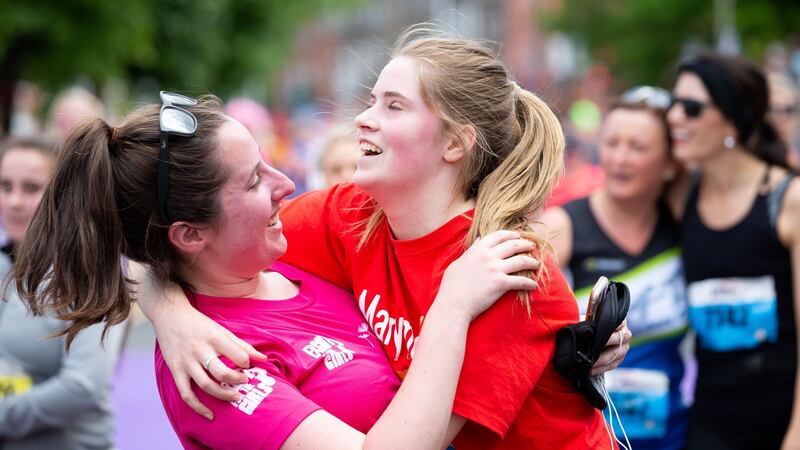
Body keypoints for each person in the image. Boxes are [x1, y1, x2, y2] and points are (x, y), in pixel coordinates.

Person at [137, 29, 630, 448]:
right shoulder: (352, 215)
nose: (363, 119)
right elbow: (168, 234)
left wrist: (454, 305)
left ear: (455, 142)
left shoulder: (503, 268)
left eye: (393, 106)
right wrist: (171, 313)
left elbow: (420, 439)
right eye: (371, 100)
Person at [12, 93, 540, 449]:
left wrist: (564, 346)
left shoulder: (293, 255)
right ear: (191, 235)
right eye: (252, 182)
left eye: (267, 162)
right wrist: (454, 306)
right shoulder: (217, 369)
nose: (285, 183)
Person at [541, 86, 689, 449]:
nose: (620, 158)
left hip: (670, 434)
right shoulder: (560, 226)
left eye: (637, 147)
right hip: (582, 435)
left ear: (670, 163)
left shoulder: (685, 228)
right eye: (612, 143)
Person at [666, 51, 800, 449]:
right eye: (673, 103)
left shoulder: (787, 200)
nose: (674, 117)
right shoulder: (679, 195)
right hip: (711, 417)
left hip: (781, 414)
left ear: (732, 117)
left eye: (690, 108)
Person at [0, 136, 124, 450]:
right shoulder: (3, 265)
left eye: (31, 188)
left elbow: (82, 386)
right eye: (5, 187)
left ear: (61, 195)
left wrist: (4, 414)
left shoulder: (84, 273)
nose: (14, 201)